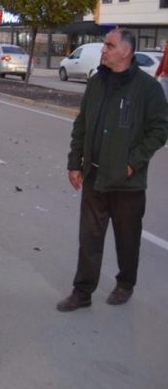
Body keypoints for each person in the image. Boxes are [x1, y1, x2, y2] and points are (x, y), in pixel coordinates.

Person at [57, 29, 168, 312]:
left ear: (126, 52)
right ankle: (82, 292)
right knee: (89, 238)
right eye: (104, 45)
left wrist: (133, 162)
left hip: (127, 183)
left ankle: (125, 284)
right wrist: (74, 162)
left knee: (127, 239)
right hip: (94, 176)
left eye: (109, 45)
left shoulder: (147, 88)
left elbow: (159, 130)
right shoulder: (96, 83)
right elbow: (81, 125)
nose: (103, 50)